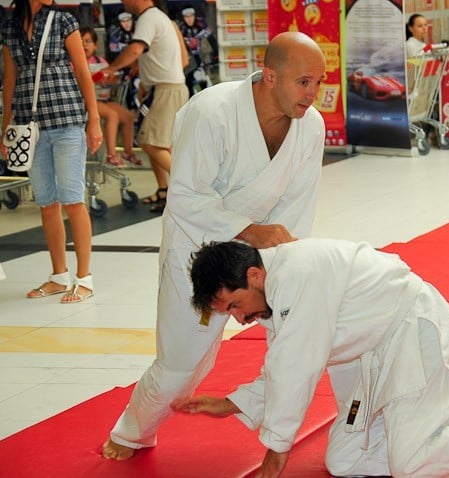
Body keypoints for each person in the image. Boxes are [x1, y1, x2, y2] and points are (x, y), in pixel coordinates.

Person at [173, 239, 449, 477]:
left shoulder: (299, 275)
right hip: (378, 359)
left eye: (234, 305)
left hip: (417, 341)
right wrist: (231, 404)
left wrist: (275, 455)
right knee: (344, 460)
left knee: (411, 466)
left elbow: (294, 367)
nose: (240, 318)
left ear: (253, 275)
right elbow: (285, 362)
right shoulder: (280, 289)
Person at [101, 31, 327, 461]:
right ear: (269, 76)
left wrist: (289, 268)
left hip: (259, 260)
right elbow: (186, 199)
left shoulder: (309, 127)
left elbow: (296, 208)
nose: (313, 94)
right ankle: (133, 432)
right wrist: (251, 232)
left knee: (304, 335)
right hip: (196, 251)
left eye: (320, 82)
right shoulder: (213, 112)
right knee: (183, 366)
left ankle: (304, 428)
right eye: (304, 82)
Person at [1, 0, 102, 303]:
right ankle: (59, 275)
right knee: (47, 203)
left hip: (67, 119)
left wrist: (94, 120)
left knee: (72, 200)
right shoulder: (10, 26)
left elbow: (83, 72)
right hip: (29, 126)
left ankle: (84, 279)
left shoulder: (63, 21)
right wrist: (5, 128)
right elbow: (9, 80)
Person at [101, 0, 189, 214]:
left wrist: (110, 69)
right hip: (165, 88)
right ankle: (165, 190)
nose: (122, 2)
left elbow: (134, 50)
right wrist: (144, 74)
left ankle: (190, 191)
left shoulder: (148, 18)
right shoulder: (161, 19)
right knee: (160, 143)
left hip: (165, 90)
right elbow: (183, 60)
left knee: (150, 142)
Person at [80, 27, 141, 168]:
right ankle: (111, 154)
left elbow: (109, 75)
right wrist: (100, 75)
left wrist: (112, 78)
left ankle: (128, 151)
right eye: (81, 41)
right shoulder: (76, 62)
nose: (84, 45)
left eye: (88, 41)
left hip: (104, 97)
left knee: (127, 116)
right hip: (89, 101)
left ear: (95, 45)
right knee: (112, 115)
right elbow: (84, 81)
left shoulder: (99, 60)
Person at [178, 6, 218, 96]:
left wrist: (216, 54)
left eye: (191, 16)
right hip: (186, 59)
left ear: (194, 16)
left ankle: (205, 97)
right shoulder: (180, 28)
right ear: (183, 18)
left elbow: (211, 39)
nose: (189, 19)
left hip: (199, 57)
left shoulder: (200, 24)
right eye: (186, 17)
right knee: (188, 83)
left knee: (203, 81)